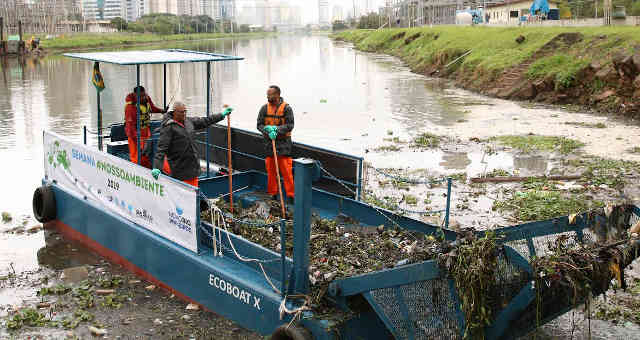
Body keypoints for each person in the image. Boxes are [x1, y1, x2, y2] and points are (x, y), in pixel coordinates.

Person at [151, 101, 232, 188]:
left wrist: (222, 115)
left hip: (193, 166)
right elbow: (161, 149)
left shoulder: (188, 121)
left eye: (185, 111)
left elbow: (205, 120)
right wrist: (157, 167)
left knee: (193, 192)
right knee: (184, 193)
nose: (184, 114)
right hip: (179, 168)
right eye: (181, 112)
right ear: (174, 112)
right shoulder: (168, 127)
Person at [256, 85, 294, 203]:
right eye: (267, 95)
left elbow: (290, 125)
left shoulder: (287, 108)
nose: (268, 97)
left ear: (277, 95)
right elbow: (259, 125)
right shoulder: (264, 108)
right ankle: (273, 193)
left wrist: (276, 130)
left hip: (283, 145)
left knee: (287, 171)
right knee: (271, 171)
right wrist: (267, 129)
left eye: (270, 95)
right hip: (269, 144)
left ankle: (291, 195)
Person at [124, 86, 164, 167]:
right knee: (137, 156)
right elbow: (130, 127)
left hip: (146, 131)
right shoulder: (130, 107)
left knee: (147, 153)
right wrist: (137, 139)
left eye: (144, 95)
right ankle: (137, 170)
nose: (143, 97)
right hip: (135, 134)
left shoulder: (146, 98)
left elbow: (151, 108)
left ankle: (148, 167)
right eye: (140, 96)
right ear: (135, 95)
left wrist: (161, 111)